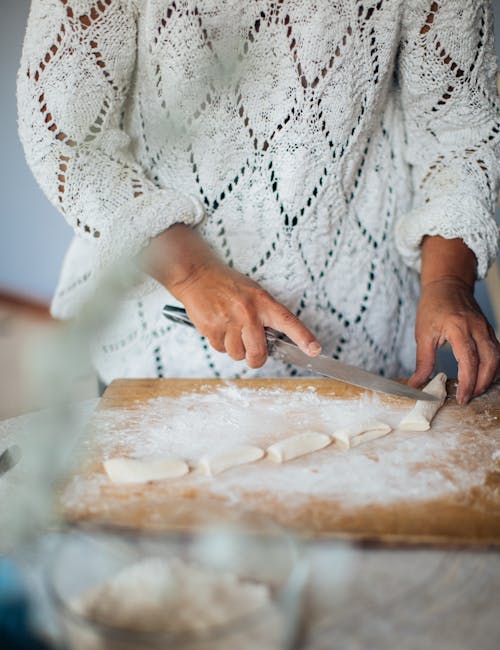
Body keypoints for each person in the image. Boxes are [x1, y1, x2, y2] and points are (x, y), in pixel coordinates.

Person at [17, 0, 499, 403]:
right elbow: (66, 136)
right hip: (159, 341)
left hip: (368, 342)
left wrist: (449, 280)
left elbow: (460, 128)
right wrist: (193, 275)